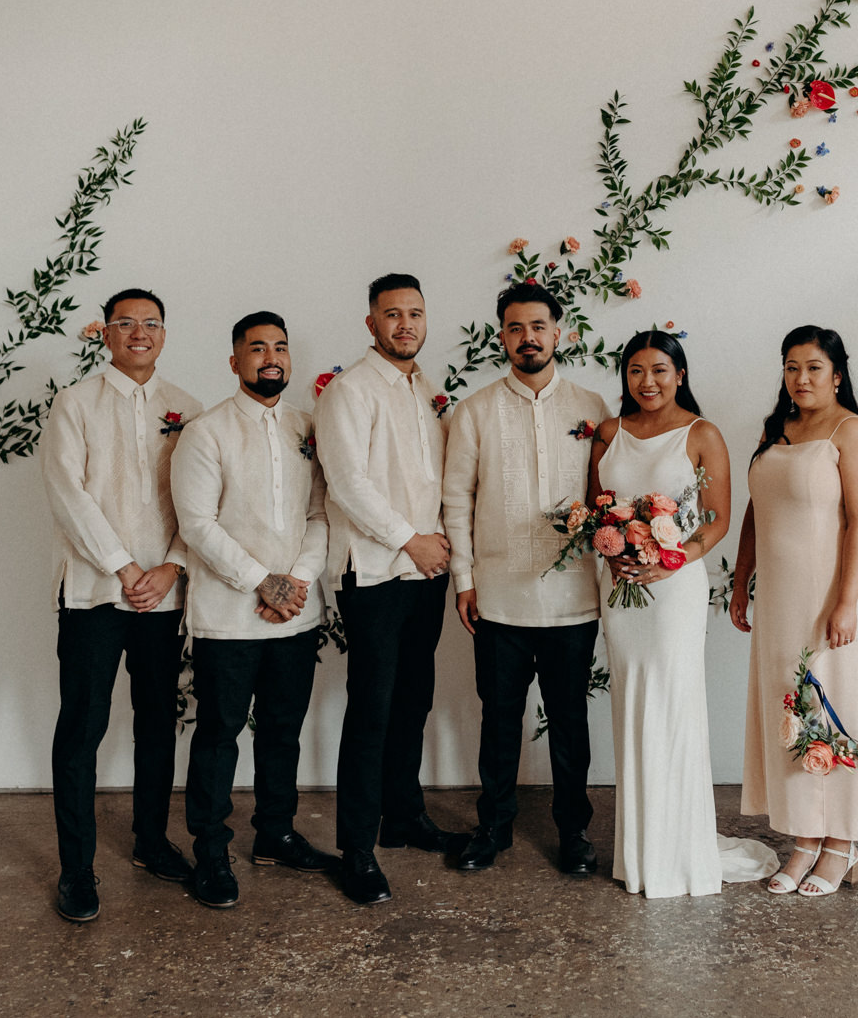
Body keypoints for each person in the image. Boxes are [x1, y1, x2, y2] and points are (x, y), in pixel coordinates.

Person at [589, 330, 775, 897]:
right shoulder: (606, 434)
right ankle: (640, 850)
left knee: (672, 704)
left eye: (660, 370)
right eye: (636, 371)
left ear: (681, 374)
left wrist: (673, 559)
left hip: (673, 591)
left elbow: (717, 518)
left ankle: (678, 847)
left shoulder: (702, 434)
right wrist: (614, 549)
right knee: (632, 705)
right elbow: (597, 510)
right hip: (622, 592)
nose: (648, 382)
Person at [40, 288, 201, 923]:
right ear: (104, 334)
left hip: (162, 595)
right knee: (82, 728)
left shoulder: (185, 409)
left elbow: (200, 499)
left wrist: (171, 566)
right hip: (93, 593)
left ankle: (151, 840)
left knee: (159, 720)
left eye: (152, 323)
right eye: (126, 324)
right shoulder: (74, 404)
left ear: (165, 332)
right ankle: (76, 869)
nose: (140, 333)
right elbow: (68, 495)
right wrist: (125, 567)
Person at [442, 284, 608, 876]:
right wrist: (464, 579)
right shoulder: (477, 410)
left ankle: (574, 831)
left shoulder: (592, 408)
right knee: (499, 718)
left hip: (573, 600)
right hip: (499, 599)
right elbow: (456, 499)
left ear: (559, 333)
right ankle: (494, 827)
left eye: (538, 326)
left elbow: (607, 499)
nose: (528, 338)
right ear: (503, 336)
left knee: (570, 721)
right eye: (515, 328)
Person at [170, 311, 334, 910]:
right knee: (218, 734)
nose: (272, 357)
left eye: (281, 347)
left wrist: (296, 580)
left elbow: (321, 514)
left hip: (297, 611)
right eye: (257, 347)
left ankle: (276, 833)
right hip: (228, 615)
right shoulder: (206, 432)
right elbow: (196, 524)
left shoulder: (307, 427)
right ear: (234, 361)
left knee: (284, 729)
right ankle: (210, 851)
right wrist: (260, 581)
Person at [315, 272, 463, 906]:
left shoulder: (427, 389)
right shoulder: (348, 391)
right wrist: (410, 538)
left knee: (414, 698)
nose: (406, 323)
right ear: (370, 323)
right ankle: (357, 849)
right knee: (372, 707)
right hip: (374, 570)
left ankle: (403, 817)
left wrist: (437, 547)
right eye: (392, 314)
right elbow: (346, 481)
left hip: (424, 571)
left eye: (415, 313)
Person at [733, 326, 858, 896]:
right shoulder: (779, 430)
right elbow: (756, 508)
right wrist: (741, 580)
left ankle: (841, 845)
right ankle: (803, 839)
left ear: (838, 374)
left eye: (814, 368)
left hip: (831, 594)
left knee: (835, 708)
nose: (801, 378)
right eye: (791, 367)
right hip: (779, 596)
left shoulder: (854, 432)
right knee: (789, 710)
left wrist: (847, 601)